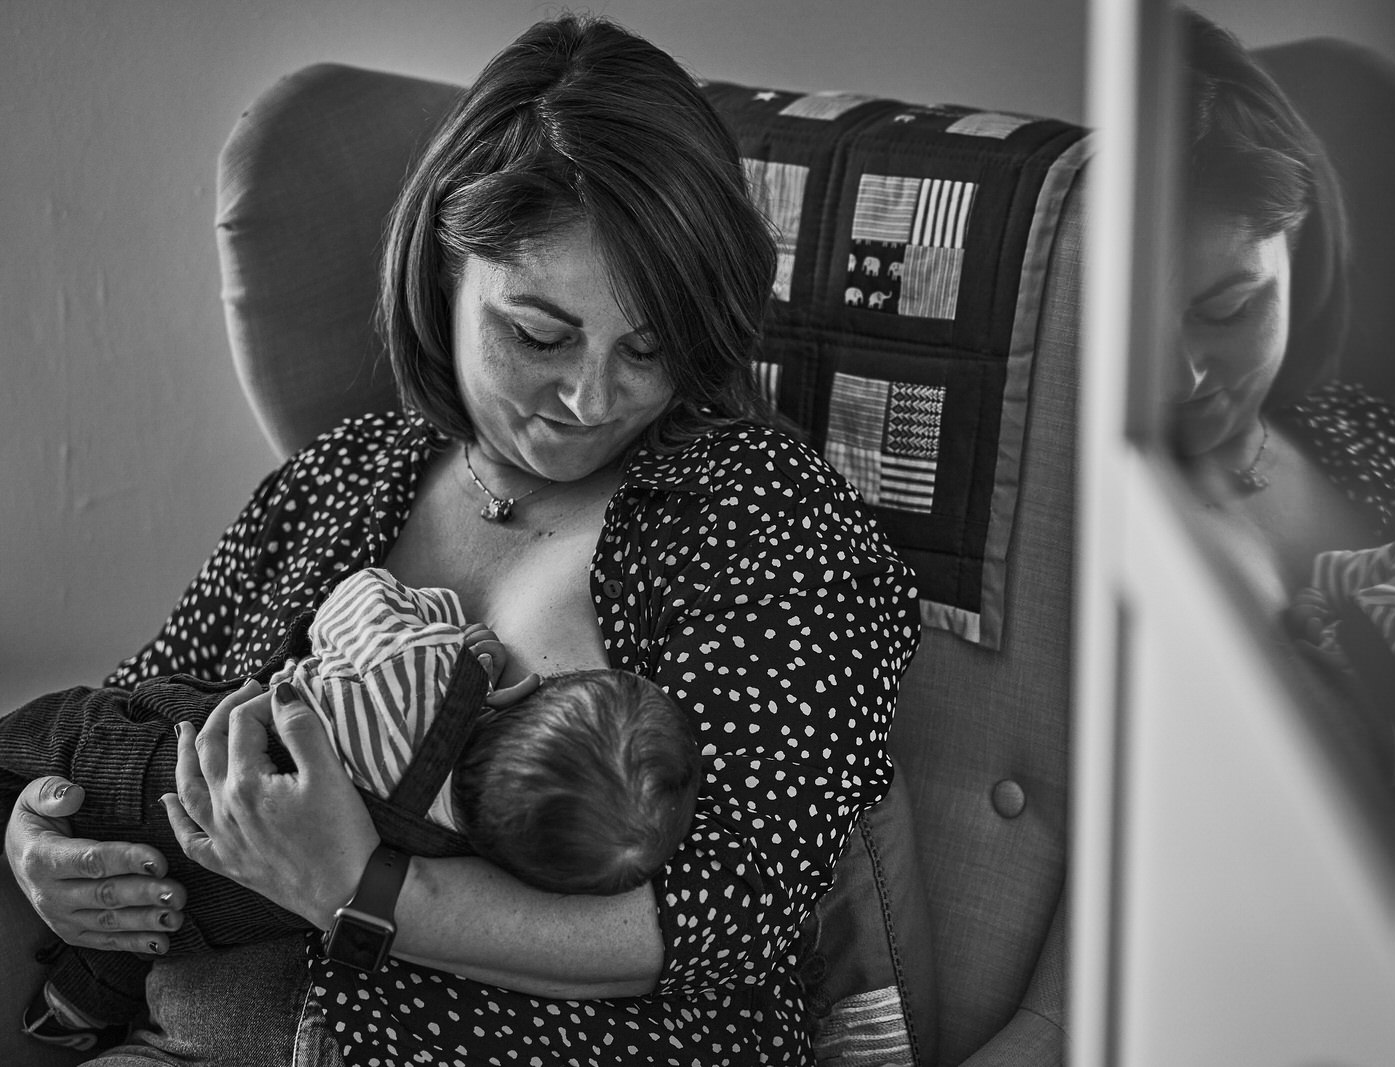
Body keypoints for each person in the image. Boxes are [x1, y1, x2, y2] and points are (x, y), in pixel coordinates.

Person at [3, 13, 919, 1067]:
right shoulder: (346, 476)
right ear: (443, 267)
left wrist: (362, 886)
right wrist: (39, 834)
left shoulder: (761, 519)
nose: (588, 396)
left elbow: (722, 914)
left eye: (648, 346)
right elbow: (134, 712)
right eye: (538, 332)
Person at [5, 565, 700, 1052]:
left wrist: (447, 629)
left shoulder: (420, 672)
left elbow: (352, 601)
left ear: (524, 692)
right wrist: (23, 838)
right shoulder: (451, 852)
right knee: (165, 912)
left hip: (144, 766)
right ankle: (79, 1000)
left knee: (38, 741)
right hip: (208, 909)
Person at [1169, 9, 1395, 779]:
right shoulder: (1090, 492)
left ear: (1300, 247)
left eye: (1228, 309)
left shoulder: (1376, 438)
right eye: (1141, 322)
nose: (1183, 374)